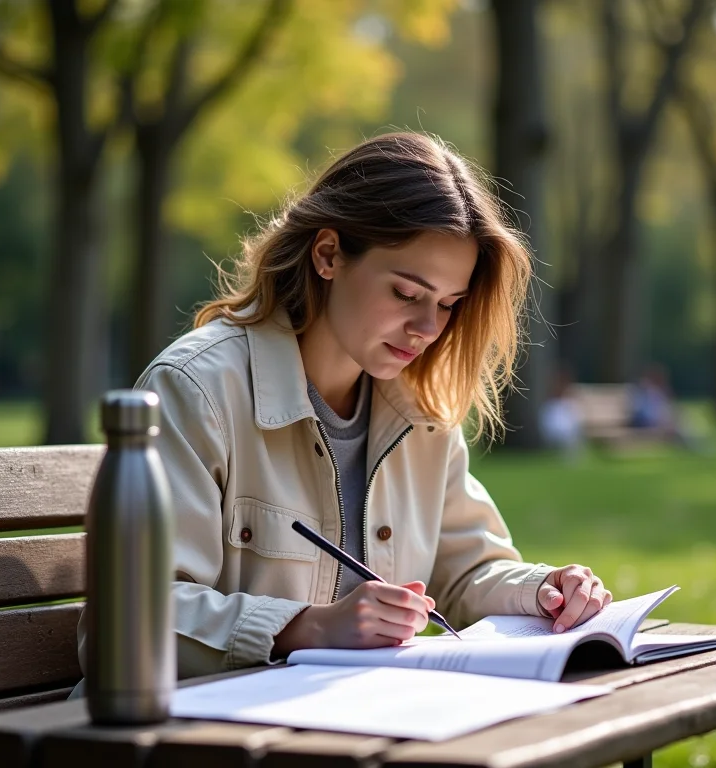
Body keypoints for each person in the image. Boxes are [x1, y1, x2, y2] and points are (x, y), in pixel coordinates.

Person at [77, 132, 611, 680]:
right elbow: (130, 616)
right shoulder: (196, 389)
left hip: (353, 712)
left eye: (448, 304)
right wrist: (307, 626)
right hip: (197, 720)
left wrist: (543, 590)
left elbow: (467, 570)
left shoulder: (421, 411)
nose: (428, 328)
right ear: (328, 254)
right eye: (407, 294)